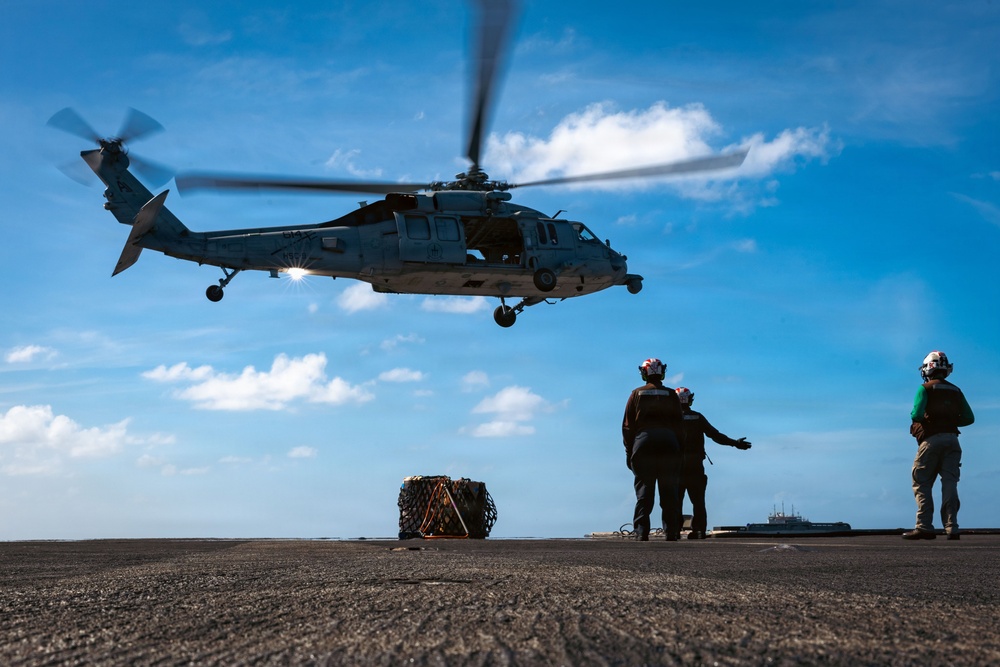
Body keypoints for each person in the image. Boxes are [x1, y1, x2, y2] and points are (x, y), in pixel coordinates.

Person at [903, 350, 974, 541]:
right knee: (950, 483)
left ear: (928, 368)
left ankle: (924, 526)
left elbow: (916, 415)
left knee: (922, 482)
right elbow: (969, 418)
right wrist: (949, 421)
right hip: (953, 440)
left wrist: (932, 421)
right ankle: (952, 527)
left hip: (931, 440)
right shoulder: (956, 390)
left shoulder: (924, 389)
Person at [674, 387, 752, 539]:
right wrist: (735, 443)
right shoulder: (697, 417)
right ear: (689, 400)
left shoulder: (670, 419)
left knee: (675, 501)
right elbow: (715, 435)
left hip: (676, 467)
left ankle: (674, 530)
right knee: (698, 501)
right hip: (695, 466)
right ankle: (699, 530)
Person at [622, 358, 685, 541]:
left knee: (644, 490)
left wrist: (629, 452)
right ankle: (672, 532)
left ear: (644, 372)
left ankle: (641, 532)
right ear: (661, 372)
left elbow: (627, 427)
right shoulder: (672, 395)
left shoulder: (636, 394)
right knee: (669, 490)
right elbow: (680, 427)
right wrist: (679, 450)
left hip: (643, 444)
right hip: (669, 444)